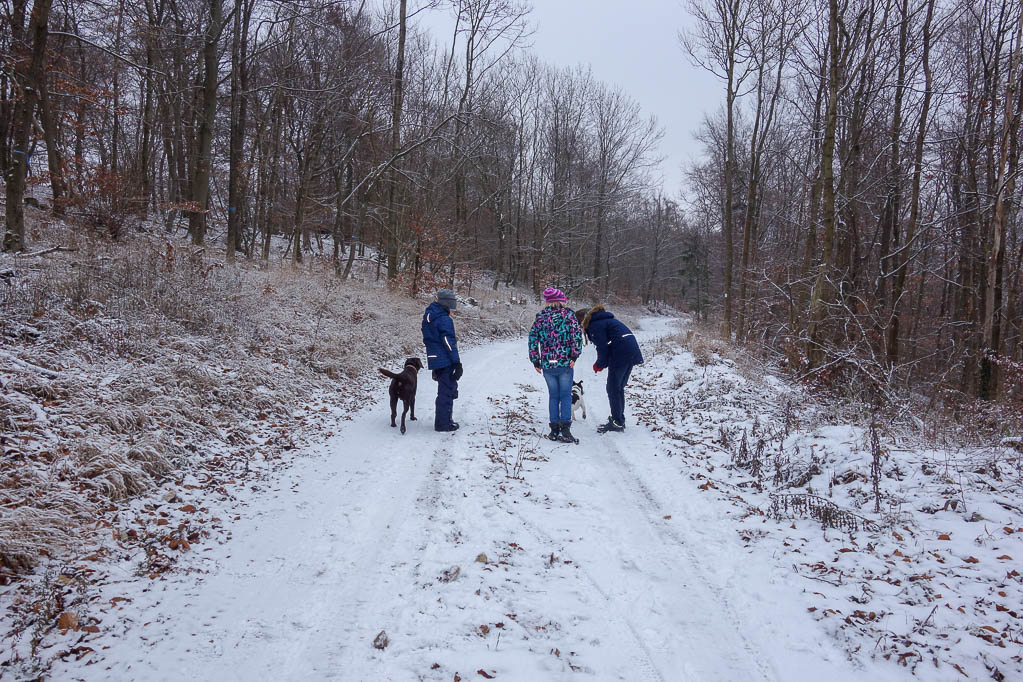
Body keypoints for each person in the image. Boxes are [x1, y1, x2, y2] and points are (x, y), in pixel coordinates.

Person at [528, 287, 583, 443]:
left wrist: (535, 360)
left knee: (553, 396)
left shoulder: (541, 317)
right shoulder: (569, 316)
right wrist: (574, 356)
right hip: (565, 363)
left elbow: (533, 339)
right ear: (561, 301)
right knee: (565, 396)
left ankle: (554, 430)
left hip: (548, 364)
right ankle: (565, 430)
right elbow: (577, 338)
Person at [577, 305, 643, 434]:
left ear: (582, 320)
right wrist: (603, 363)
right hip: (631, 352)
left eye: (578, 325)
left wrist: (600, 364)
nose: (579, 328)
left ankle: (617, 422)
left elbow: (602, 347)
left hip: (621, 354)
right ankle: (618, 419)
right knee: (618, 388)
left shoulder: (595, 325)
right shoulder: (604, 320)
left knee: (613, 388)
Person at [422, 288, 462, 432]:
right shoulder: (443, 319)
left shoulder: (430, 316)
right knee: (446, 390)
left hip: (436, 358)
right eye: (452, 307)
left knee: (447, 389)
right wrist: (457, 363)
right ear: (447, 305)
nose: (453, 311)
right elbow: (447, 341)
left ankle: (446, 419)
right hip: (445, 359)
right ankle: (443, 424)